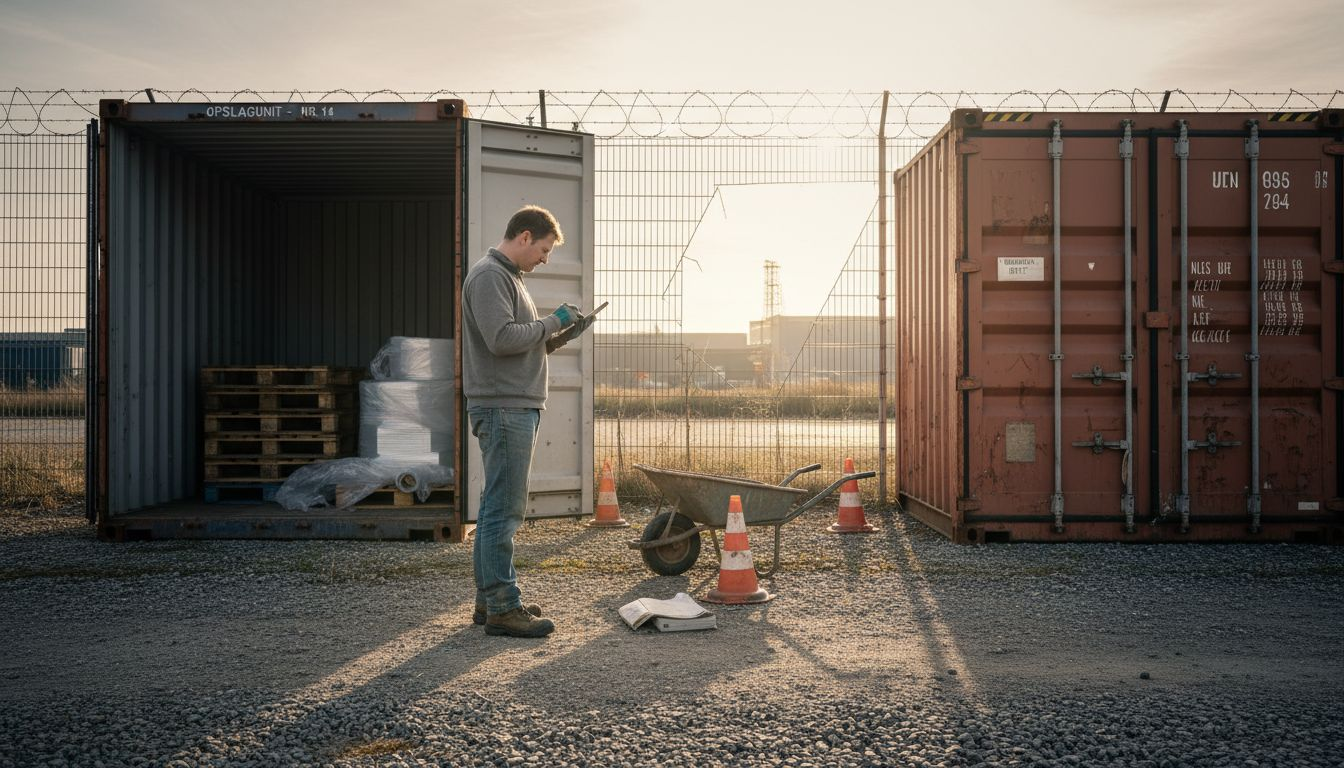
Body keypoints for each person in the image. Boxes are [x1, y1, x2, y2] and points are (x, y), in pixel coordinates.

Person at [461, 205, 579, 638]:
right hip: (504, 408)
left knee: (496, 506)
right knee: (504, 510)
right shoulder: (491, 276)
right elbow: (501, 339)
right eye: (544, 250)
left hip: (509, 404)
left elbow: (517, 344)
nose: (545, 259)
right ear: (525, 236)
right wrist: (552, 321)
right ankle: (503, 607)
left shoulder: (509, 278)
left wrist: (556, 335)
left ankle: (489, 600)